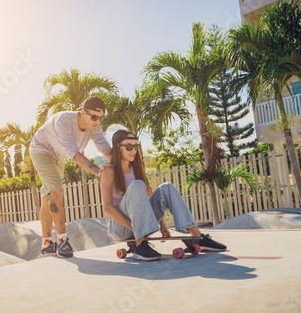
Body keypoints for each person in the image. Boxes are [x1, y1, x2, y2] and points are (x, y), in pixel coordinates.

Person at [100, 129, 227, 261]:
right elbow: (108, 208)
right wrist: (137, 227)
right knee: (137, 185)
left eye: (136, 146)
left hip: (140, 225)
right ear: (116, 148)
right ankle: (140, 246)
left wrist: (162, 224)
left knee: (166, 187)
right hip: (119, 228)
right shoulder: (109, 171)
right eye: (128, 146)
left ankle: (197, 237)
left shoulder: (137, 169)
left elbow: (149, 198)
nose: (133, 150)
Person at [30, 96, 112, 258]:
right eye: (94, 117)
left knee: (48, 196)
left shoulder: (95, 127)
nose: (97, 121)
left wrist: (123, 166)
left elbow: (104, 147)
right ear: (83, 112)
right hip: (41, 150)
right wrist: (99, 172)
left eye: (101, 117)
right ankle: (62, 240)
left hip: (59, 156)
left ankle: (46, 244)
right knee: (57, 192)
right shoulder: (64, 120)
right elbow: (75, 155)